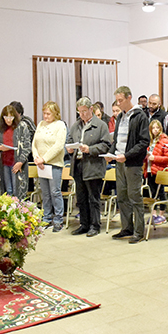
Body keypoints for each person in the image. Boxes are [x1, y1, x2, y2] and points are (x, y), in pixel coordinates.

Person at [107, 86, 150, 244]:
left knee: (134, 197)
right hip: (119, 161)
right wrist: (110, 154)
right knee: (122, 196)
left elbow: (144, 142)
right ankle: (127, 228)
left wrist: (127, 155)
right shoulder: (120, 117)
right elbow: (116, 139)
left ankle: (139, 231)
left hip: (132, 163)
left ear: (129, 97)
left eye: (121, 100)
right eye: (117, 101)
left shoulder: (140, 116)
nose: (118, 104)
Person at [67, 97, 111, 237]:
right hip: (78, 165)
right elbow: (69, 141)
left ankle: (95, 225)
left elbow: (105, 145)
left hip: (93, 165)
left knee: (93, 198)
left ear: (91, 109)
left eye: (84, 111)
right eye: (79, 112)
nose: (82, 114)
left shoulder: (101, 125)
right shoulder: (76, 126)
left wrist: (90, 149)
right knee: (81, 198)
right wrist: (69, 149)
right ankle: (84, 224)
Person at [32, 101, 67, 233]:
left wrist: (44, 158)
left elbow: (58, 146)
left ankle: (58, 219)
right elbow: (34, 143)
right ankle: (46, 217)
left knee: (55, 192)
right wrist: (37, 158)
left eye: (48, 114)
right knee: (45, 193)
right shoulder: (40, 124)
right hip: (41, 165)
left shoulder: (60, 125)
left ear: (55, 113)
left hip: (54, 164)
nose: (45, 116)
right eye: (44, 113)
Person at [0, 105, 31, 198]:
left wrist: (21, 161)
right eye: (6, 117)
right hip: (4, 163)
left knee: (17, 191)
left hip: (17, 163)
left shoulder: (22, 127)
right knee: (8, 190)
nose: (8, 120)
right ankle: (8, 210)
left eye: (11, 117)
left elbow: (27, 146)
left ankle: (18, 210)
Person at [145, 119, 168, 224]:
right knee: (151, 193)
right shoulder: (150, 140)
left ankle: (162, 214)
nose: (155, 130)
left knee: (160, 192)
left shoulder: (165, 141)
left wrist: (154, 158)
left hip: (159, 170)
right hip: (149, 169)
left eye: (157, 128)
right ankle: (153, 214)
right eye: (153, 128)